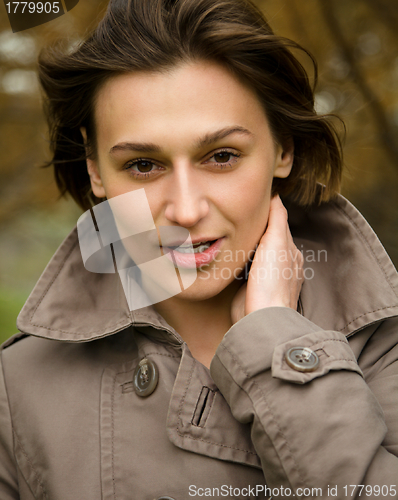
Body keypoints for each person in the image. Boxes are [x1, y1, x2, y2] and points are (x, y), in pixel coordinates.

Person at [1, 0, 397, 498]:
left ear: (283, 149)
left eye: (222, 156)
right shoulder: (15, 390)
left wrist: (277, 344)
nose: (185, 211)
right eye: (144, 165)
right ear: (96, 169)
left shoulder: (386, 350)